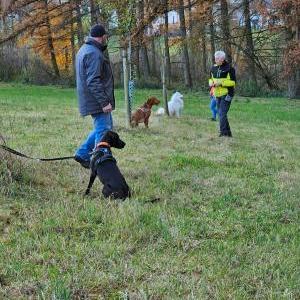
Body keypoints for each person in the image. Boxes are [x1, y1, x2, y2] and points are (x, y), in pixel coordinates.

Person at [74, 24, 115, 168]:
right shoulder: (94, 53)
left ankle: (82, 153)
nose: (106, 38)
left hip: (91, 99)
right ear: (102, 36)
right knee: (104, 131)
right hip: (97, 100)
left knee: (104, 128)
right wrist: (104, 102)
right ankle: (101, 163)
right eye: (106, 36)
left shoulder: (84, 49)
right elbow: (93, 81)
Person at [209, 51, 236, 137]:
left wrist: (221, 84)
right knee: (222, 114)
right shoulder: (213, 68)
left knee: (221, 113)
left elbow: (233, 82)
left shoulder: (229, 68)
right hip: (217, 94)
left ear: (222, 59)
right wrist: (210, 83)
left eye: (217, 58)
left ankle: (223, 133)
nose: (215, 60)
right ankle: (228, 133)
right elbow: (210, 78)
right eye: (215, 58)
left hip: (227, 94)